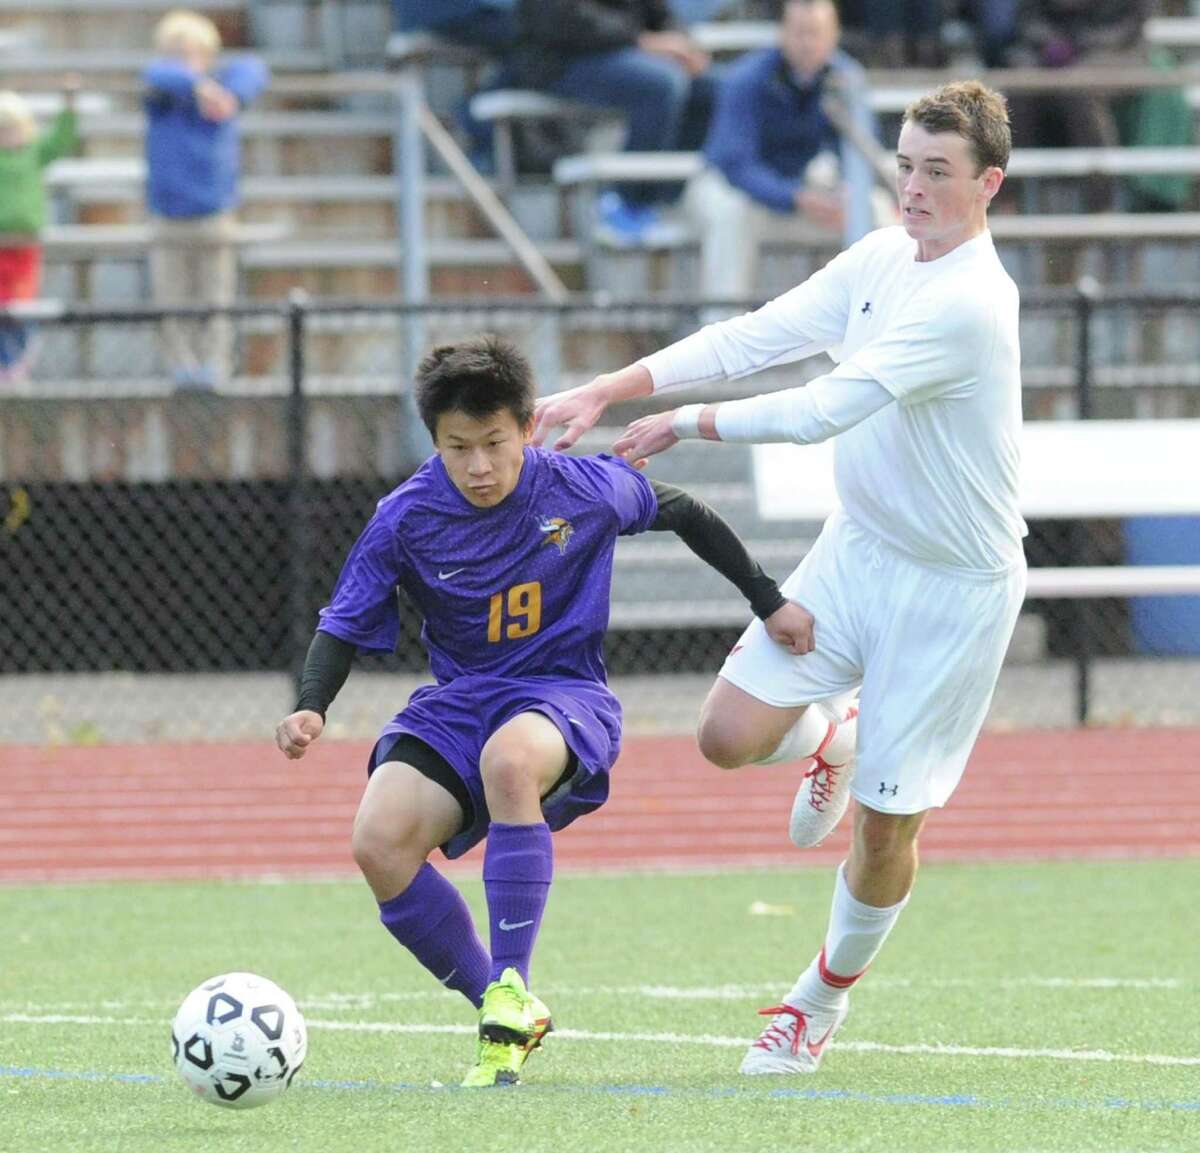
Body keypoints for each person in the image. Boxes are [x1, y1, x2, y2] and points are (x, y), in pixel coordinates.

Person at [532, 81, 1026, 1074]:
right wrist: (611, 385)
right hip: (860, 549)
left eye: (938, 171)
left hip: (950, 589)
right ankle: (829, 735)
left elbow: (820, 408)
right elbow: (753, 335)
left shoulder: (974, 302)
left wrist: (686, 422)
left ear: (988, 185)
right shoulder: (885, 257)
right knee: (726, 735)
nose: (915, 187)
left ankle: (814, 1005)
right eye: (904, 164)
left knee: (886, 835)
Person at [274, 334, 815, 1087]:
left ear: (529, 426)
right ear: (433, 440)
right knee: (378, 841)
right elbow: (341, 620)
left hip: (563, 693)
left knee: (510, 760)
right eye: (458, 447)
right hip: (460, 702)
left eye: (495, 442)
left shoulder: (578, 489)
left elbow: (683, 509)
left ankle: (510, 980)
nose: (479, 466)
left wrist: (771, 601)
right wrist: (310, 706)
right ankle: (505, 1006)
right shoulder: (405, 516)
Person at [687, 0, 882, 303]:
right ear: (782, 33)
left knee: (876, 209)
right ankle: (720, 326)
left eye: (816, 33)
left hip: (800, 187)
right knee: (731, 214)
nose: (807, 43)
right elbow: (736, 165)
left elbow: (859, 156)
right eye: (799, 32)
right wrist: (794, 196)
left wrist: (845, 193)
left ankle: (875, 320)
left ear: (834, 36)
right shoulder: (747, 78)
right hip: (732, 187)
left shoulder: (846, 78)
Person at [510, 0, 717, 246]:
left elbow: (660, 14)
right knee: (659, 84)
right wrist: (641, 40)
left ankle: (663, 200)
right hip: (562, 60)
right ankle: (625, 202)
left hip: (628, 53)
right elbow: (562, 20)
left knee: (713, 90)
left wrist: (684, 47)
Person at [143, 9, 268, 390]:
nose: (184, 59)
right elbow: (155, 74)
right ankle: (180, 368)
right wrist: (195, 86)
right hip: (168, 214)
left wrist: (229, 96)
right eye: (175, 51)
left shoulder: (224, 86)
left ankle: (214, 367)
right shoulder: (163, 93)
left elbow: (254, 68)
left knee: (217, 297)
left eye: (192, 50)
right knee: (171, 297)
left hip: (215, 211)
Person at [0, 82, 79, 383]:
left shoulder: (34, 153)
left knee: (23, 307)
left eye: (13, 128)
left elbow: (61, 141)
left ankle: (17, 364)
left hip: (25, 247)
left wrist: (69, 105)